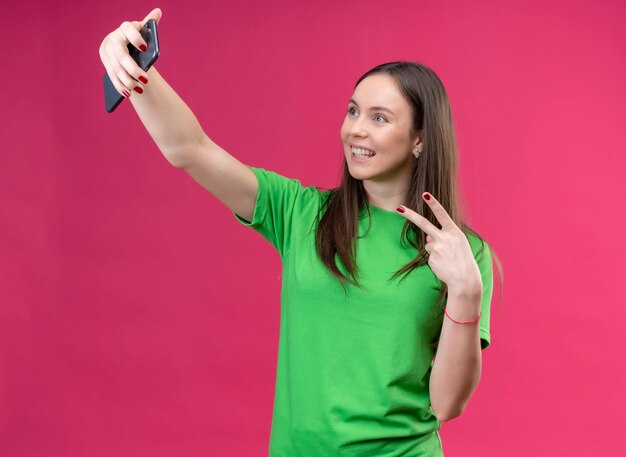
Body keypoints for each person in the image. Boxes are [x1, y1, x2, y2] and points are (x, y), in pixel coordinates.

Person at [100, 8, 503, 456]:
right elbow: (189, 149)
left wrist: (467, 291)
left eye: (380, 118)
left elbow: (447, 403)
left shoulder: (462, 253)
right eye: (353, 111)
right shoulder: (300, 212)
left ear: (420, 139)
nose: (356, 129)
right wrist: (132, 67)